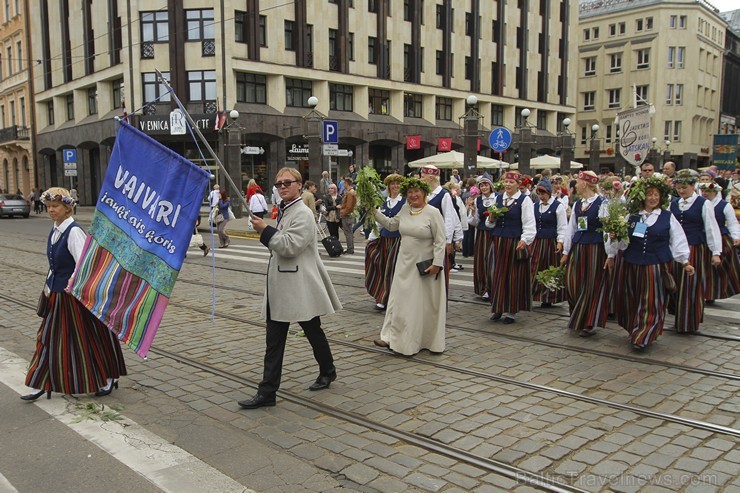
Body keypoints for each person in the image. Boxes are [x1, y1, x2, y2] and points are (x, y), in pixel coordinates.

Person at [238, 168, 341, 409]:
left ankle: (327, 370)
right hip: (282, 287)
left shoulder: (302, 213)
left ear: (299, 185)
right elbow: (278, 246)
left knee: (313, 331)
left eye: (287, 183)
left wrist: (265, 230)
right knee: (274, 340)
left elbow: (290, 247)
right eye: (279, 184)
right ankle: (268, 392)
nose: (283, 187)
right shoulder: (286, 210)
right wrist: (268, 232)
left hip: (299, 286)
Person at [22, 187, 126, 401]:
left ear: (67, 208)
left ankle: (107, 377)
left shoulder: (73, 232)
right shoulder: (55, 229)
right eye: (49, 206)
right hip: (57, 294)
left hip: (72, 296)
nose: (51, 210)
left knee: (87, 337)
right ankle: (40, 382)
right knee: (50, 337)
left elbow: (83, 266)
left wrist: (73, 287)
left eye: (56, 207)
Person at [608, 175, 692, 350]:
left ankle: (643, 336)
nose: (653, 198)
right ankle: (635, 329)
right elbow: (624, 244)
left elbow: (678, 240)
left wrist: (685, 261)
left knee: (651, 301)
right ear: (642, 197)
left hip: (655, 265)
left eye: (656, 195)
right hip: (632, 264)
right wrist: (614, 239)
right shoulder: (632, 217)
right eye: (649, 194)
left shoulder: (667, 217)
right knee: (633, 298)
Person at [371, 177, 446, 355]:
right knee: (399, 302)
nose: (413, 195)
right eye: (410, 192)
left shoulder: (433, 212)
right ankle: (392, 338)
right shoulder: (405, 209)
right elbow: (391, 225)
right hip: (404, 264)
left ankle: (423, 341)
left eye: (416, 192)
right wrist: (373, 212)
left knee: (421, 306)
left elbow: (440, 240)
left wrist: (437, 264)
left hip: (424, 268)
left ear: (424, 193)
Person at [667, 169, 722, 334]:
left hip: (695, 249)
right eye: (678, 187)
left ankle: (689, 323)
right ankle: (678, 319)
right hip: (676, 249)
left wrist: (716, 252)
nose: (681, 191)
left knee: (691, 285)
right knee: (676, 284)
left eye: (685, 187)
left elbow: (711, 228)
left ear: (692, 186)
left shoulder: (703, 203)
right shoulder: (673, 203)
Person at [561, 171, 610, 337]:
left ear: (586, 184)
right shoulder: (577, 204)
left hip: (595, 248)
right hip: (578, 247)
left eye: (578, 181)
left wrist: (610, 254)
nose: (576, 185)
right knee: (572, 283)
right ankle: (578, 315)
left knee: (591, 285)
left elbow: (608, 231)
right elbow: (571, 229)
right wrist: (566, 251)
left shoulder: (602, 204)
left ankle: (588, 322)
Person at [485, 171, 536, 324]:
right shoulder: (498, 198)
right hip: (498, 241)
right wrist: (491, 218)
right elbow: (489, 223)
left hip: (514, 243)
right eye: (506, 182)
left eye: (511, 182)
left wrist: (525, 239)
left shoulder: (524, 201)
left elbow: (529, 223)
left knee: (512, 277)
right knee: (496, 275)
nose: (508, 185)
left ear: (518, 185)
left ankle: (511, 311)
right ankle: (498, 307)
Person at [365, 174, 405, 310]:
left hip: (399, 241)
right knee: (382, 267)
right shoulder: (384, 201)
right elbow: (379, 223)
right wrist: (371, 238)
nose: (395, 186)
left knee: (393, 270)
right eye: (392, 184)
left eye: (398, 184)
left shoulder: (405, 201)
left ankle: (390, 299)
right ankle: (382, 295)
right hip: (384, 240)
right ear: (388, 186)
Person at [697, 182, 739, 302]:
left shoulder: (724, 206)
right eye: (703, 191)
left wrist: (736, 236)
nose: (705, 194)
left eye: (708, 191)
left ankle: (712, 293)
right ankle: (701, 291)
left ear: (715, 192)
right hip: (702, 237)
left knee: (716, 268)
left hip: (720, 237)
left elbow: (732, 223)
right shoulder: (699, 204)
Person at [531, 180, 567, 308]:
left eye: (543, 193)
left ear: (549, 193)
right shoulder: (535, 206)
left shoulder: (558, 206)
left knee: (549, 268)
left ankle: (548, 297)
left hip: (550, 242)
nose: (541, 196)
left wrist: (560, 241)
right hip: (536, 241)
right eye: (539, 193)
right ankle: (535, 294)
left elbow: (563, 226)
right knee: (534, 267)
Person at [467, 173, 497, 300]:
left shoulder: (498, 198)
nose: (484, 188)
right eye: (482, 185)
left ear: (491, 186)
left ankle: (494, 287)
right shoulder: (478, 200)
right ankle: (484, 288)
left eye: (486, 185)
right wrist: (473, 211)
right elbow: (474, 222)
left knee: (493, 261)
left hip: (495, 234)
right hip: (481, 234)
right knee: (482, 261)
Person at [339, 177, 357, 254]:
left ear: (346, 183)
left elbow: (349, 206)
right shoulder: (352, 191)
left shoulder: (350, 193)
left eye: (344, 183)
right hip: (350, 214)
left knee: (348, 233)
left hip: (347, 215)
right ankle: (351, 248)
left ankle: (350, 249)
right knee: (349, 232)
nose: (343, 185)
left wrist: (343, 212)